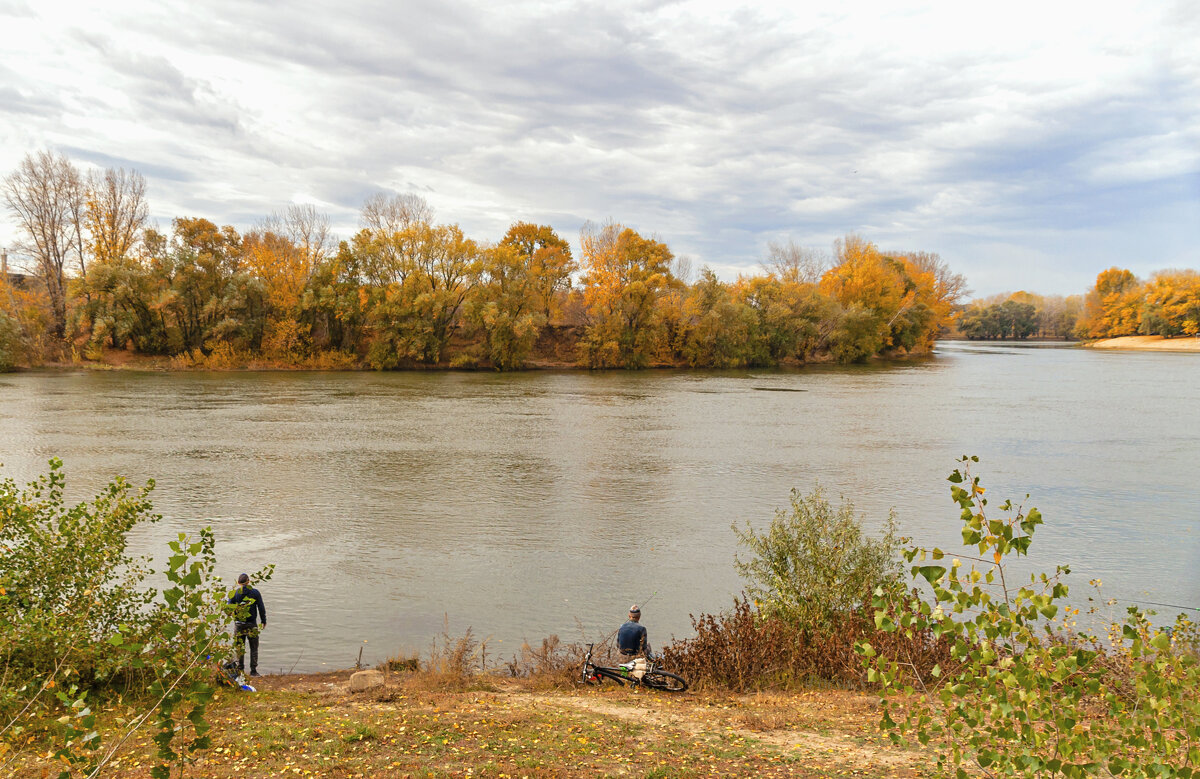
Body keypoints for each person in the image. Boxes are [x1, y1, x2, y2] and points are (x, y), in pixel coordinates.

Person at [228, 573, 267, 677]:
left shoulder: (234, 593)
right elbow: (261, 608)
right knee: (254, 648)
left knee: (240, 648)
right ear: (248, 581)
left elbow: (228, 608)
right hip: (251, 625)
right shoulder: (255, 592)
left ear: (238, 583)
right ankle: (253, 671)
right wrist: (263, 620)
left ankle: (240, 670)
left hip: (239, 625)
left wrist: (231, 614)